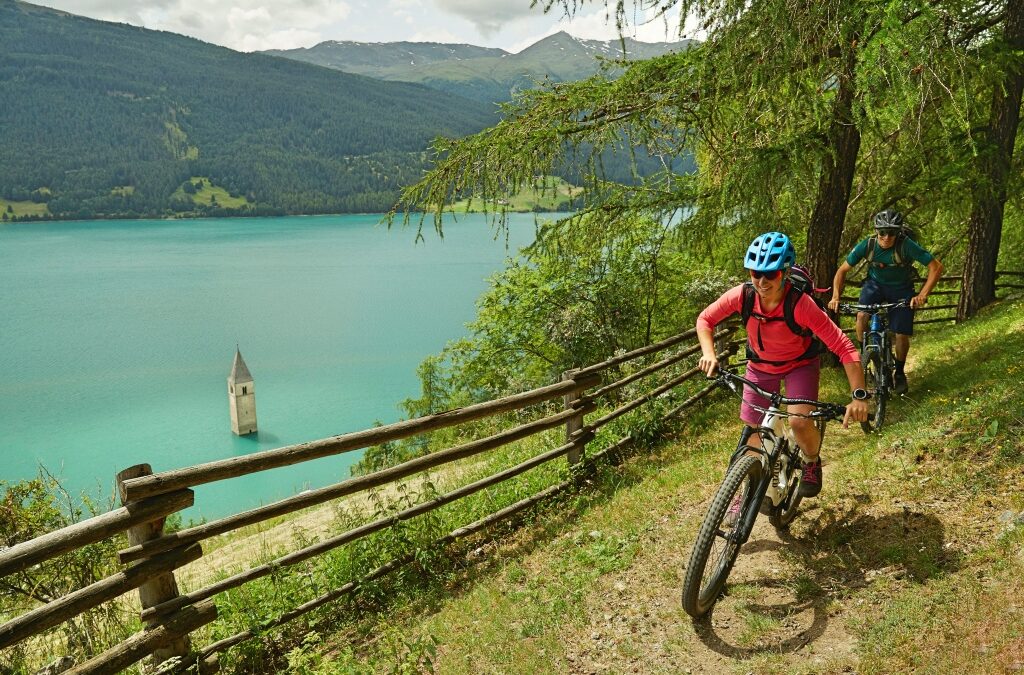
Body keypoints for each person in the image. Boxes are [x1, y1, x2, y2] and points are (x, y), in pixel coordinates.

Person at [696, 232, 869, 499]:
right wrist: (709, 353)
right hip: (760, 366)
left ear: (785, 273)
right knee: (751, 433)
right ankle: (742, 495)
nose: (762, 281)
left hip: (799, 365)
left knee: (799, 421)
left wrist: (859, 395)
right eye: (756, 273)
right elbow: (705, 319)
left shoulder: (801, 304)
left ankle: (812, 461)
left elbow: (843, 346)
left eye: (772, 274)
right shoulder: (742, 296)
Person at [827, 209, 944, 394]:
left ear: (898, 232)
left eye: (892, 232)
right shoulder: (868, 245)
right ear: (876, 231)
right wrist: (835, 297)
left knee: (900, 334)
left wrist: (922, 294)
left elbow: (936, 267)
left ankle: (899, 372)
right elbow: (842, 271)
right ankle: (868, 356)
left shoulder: (907, 245)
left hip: (901, 289)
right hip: (874, 286)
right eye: (882, 232)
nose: (887, 237)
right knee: (861, 316)